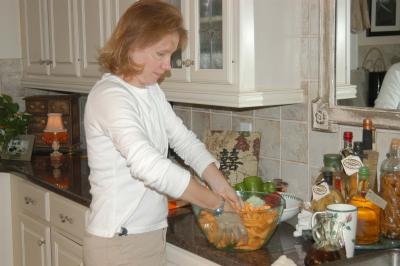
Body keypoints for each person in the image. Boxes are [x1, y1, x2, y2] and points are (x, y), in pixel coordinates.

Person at [83, 1, 246, 265]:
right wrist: (215, 204)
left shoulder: (151, 91)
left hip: (149, 234)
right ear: (132, 45)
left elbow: (183, 141)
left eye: (171, 55)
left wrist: (221, 184)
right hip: (118, 242)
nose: (168, 65)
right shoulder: (110, 96)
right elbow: (149, 167)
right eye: (161, 54)